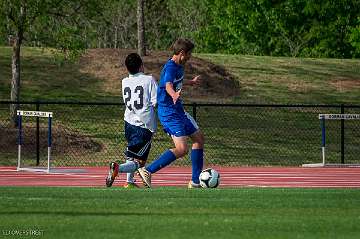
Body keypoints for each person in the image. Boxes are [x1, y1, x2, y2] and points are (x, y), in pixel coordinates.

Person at [138, 38, 204, 188]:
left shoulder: (179, 66)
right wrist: (173, 94)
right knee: (182, 149)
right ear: (182, 53)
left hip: (177, 110)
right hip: (168, 113)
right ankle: (147, 170)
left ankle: (195, 181)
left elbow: (176, 81)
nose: (190, 57)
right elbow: (168, 85)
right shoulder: (170, 67)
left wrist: (190, 82)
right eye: (189, 54)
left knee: (199, 138)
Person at [106, 53, 158, 188]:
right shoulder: (149, 79)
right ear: (141, 65)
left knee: (131, 153)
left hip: (128, 123)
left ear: (127, 68)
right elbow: (155, 101)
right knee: (140, 163)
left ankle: (129, 182)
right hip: (144, 126)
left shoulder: (124, 81)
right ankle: (118, 168)